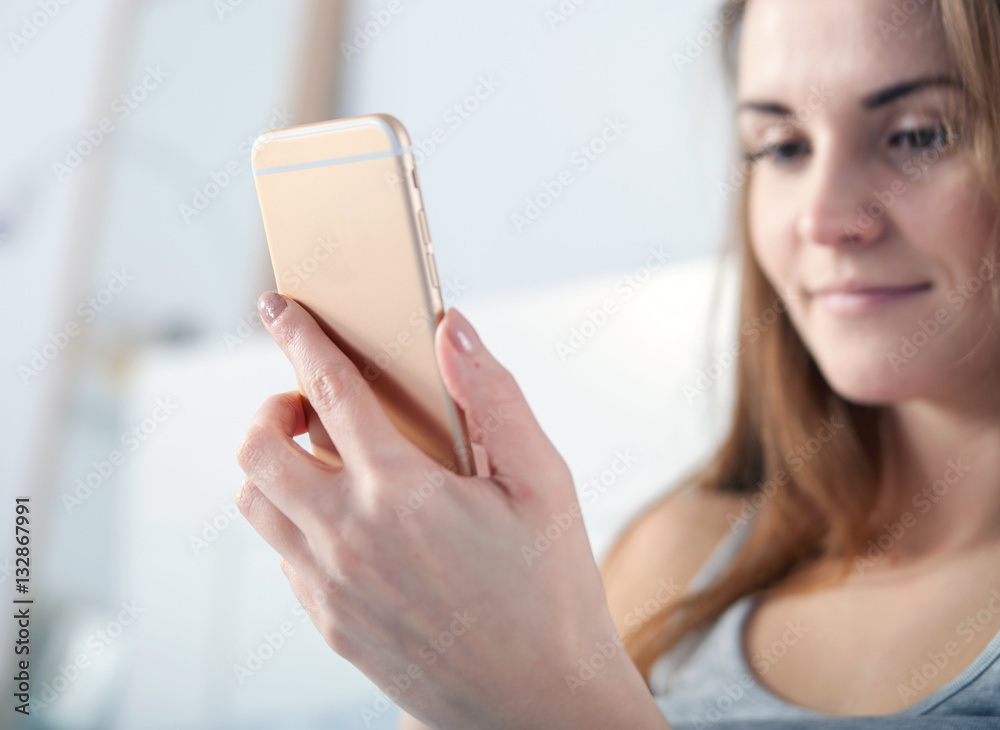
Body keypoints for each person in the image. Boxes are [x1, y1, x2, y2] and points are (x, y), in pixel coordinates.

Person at [235, 0, 1000, 727]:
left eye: (919, 135)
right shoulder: (687, 551)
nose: (824, 219)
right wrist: (443, 648)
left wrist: (537, 697)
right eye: (783, 147)